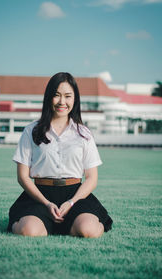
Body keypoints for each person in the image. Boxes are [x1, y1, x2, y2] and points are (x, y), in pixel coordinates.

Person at [7, 72, 113, 237]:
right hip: (39, 195)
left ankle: (67, 226)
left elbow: (92, 178)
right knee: (28, 231)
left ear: (75, 99)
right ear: (49, 97)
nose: (62, 101)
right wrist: (46, 203)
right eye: (56, 95)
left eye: (68, 96)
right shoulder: (31, 131)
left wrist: (71, 202)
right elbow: (23, 176)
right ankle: (43, 224)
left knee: (88, 231)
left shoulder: (84, 134)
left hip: (75, 196)